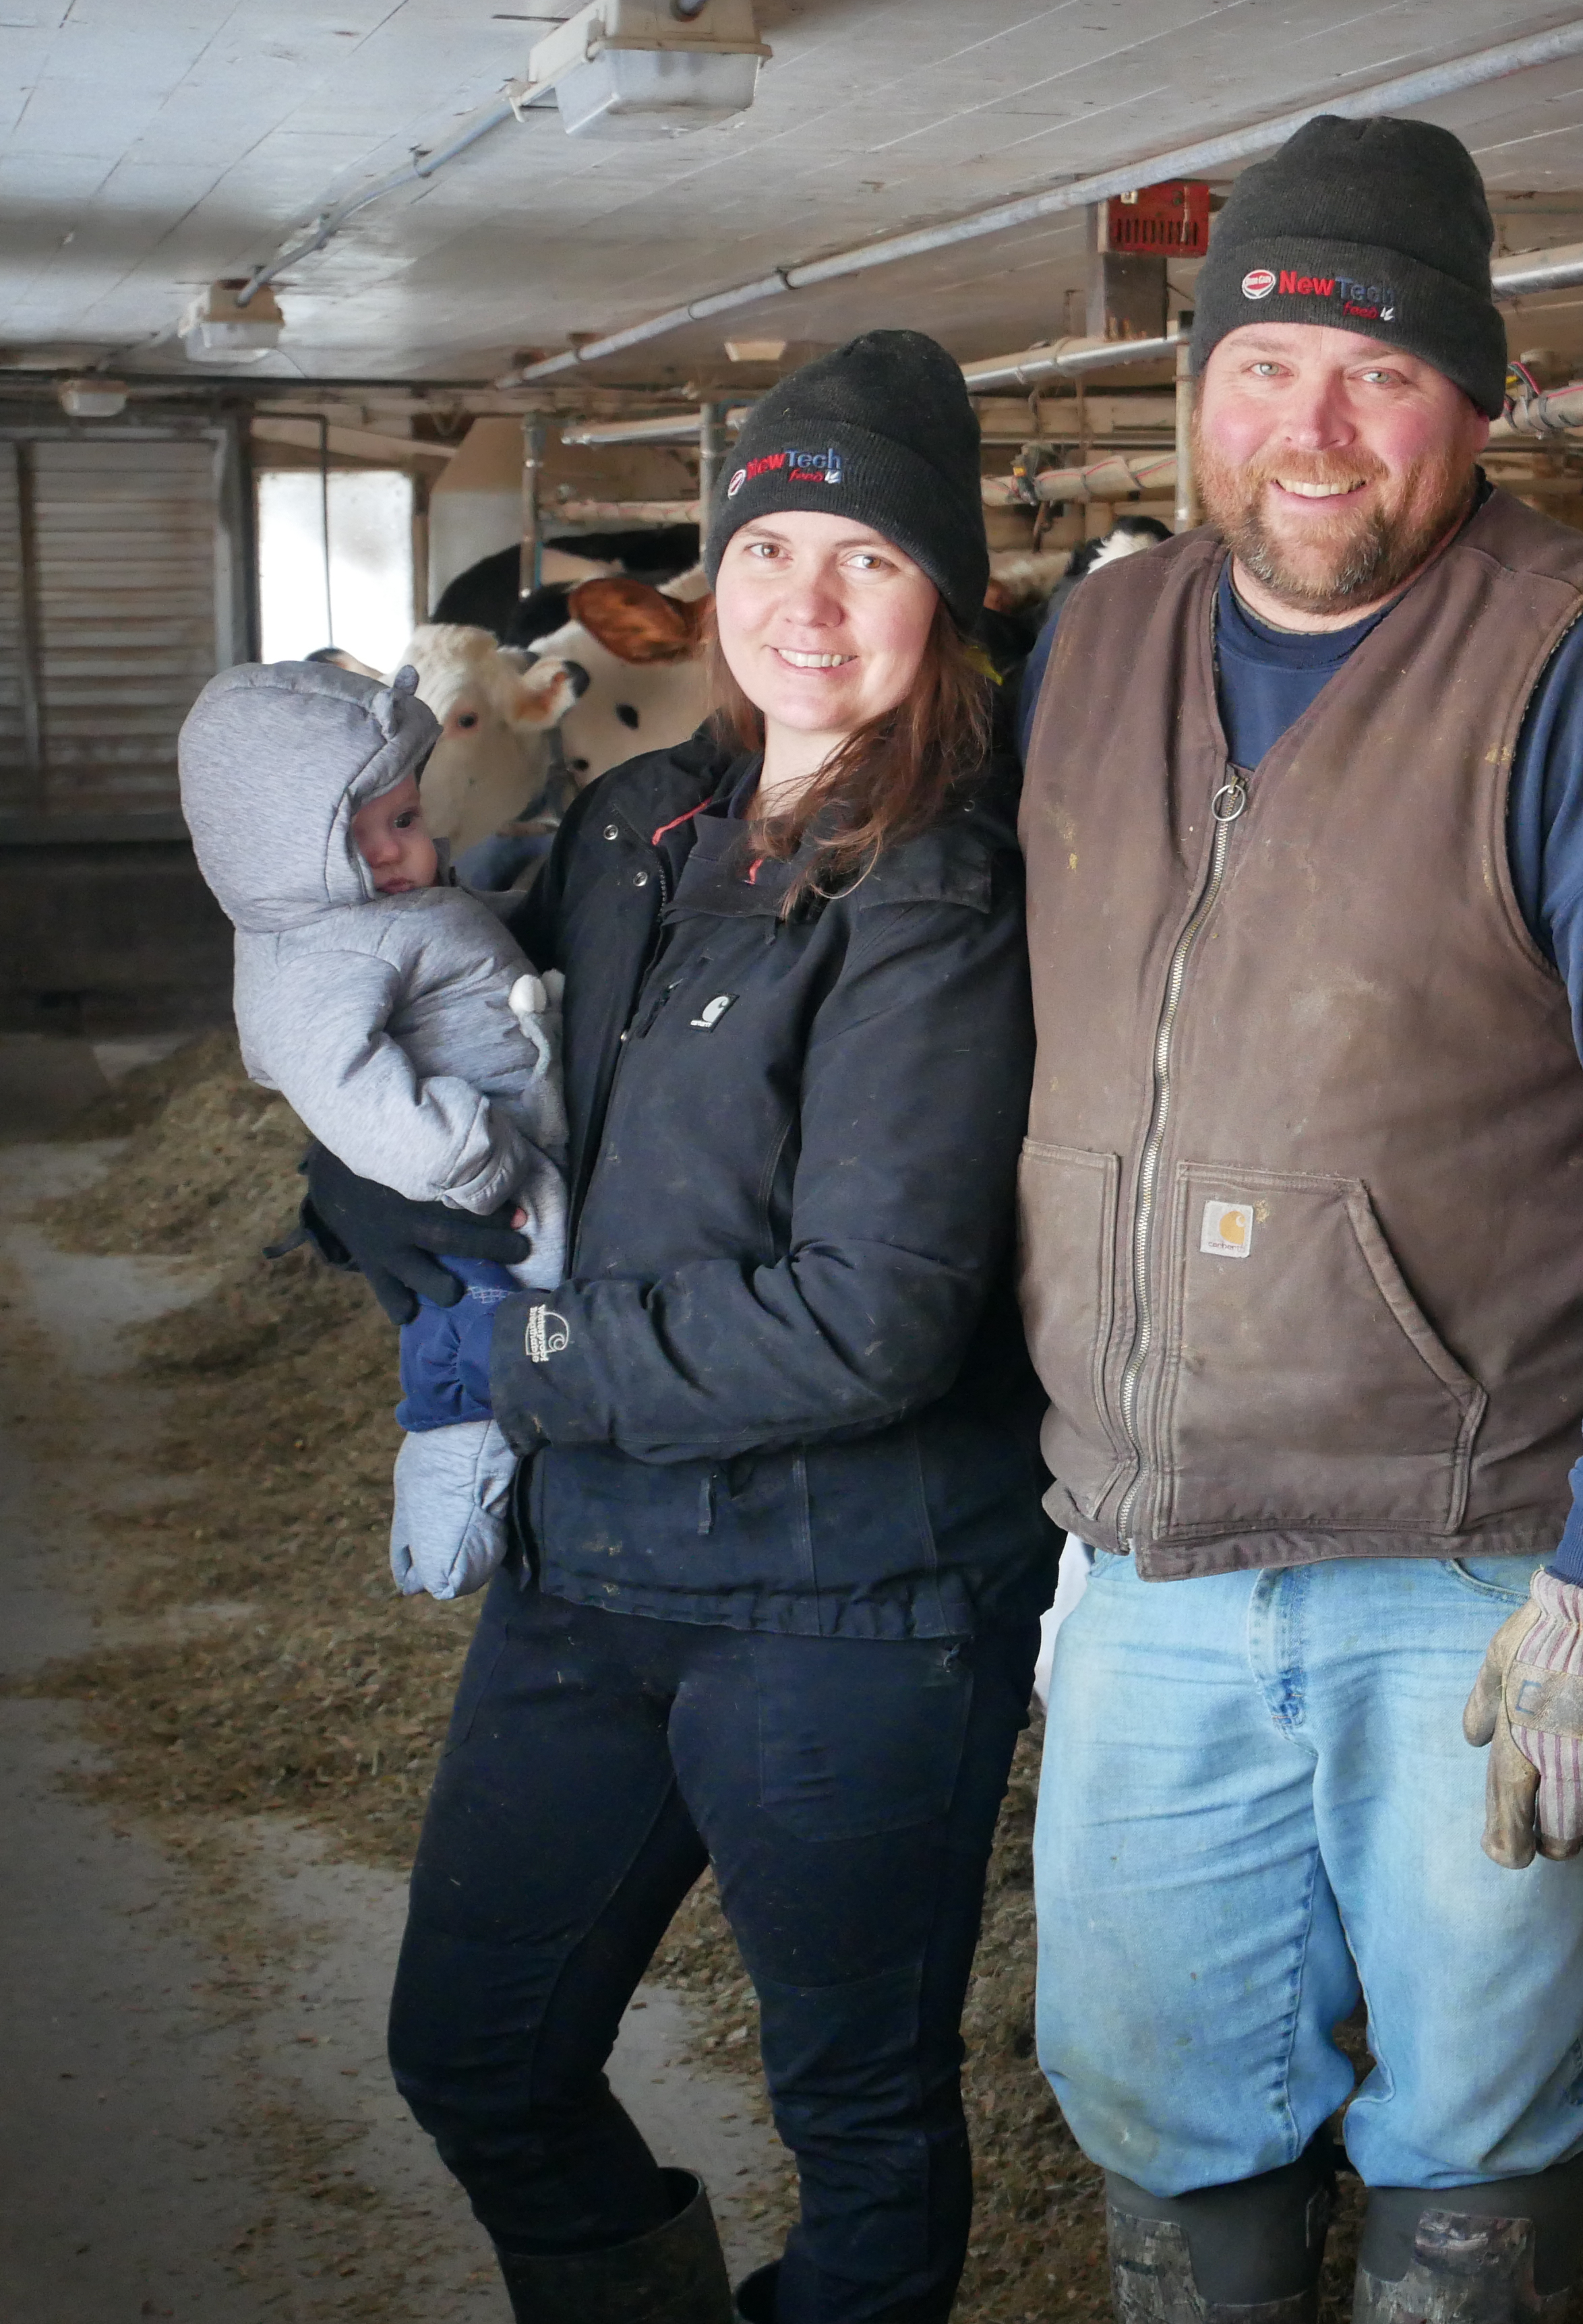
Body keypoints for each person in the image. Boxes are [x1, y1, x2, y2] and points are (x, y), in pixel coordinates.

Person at [1013, 117, 1583, 2324]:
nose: (1314, 427)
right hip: (1151, 1547)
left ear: (1474, 402)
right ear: (1200, 390)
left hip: (1471, 1565)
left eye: (1378, 374)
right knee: (1149, 2081)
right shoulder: (1100, 643)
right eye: (1267, 365)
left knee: (1469, 2099)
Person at [305, 330, 1048, 2324]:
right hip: (592, 1572)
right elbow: (480, 1100)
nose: (809, 605)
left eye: (870, 561)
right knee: (473, 2053)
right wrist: (365, 1158)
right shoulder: (636, 826)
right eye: (774, 548)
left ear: (945, 599)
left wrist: (524, 1366)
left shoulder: (942, 897)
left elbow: (875, 1326)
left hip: (853, 1597)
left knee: (861, 2116)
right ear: (711, 578)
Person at [179, 659, 570, 1601]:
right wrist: (471, 1159)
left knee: (527, 1348)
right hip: (477, 1192)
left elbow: (475, 939)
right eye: (363, 838)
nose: (402, 853)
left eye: (405, 820)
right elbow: (342, 1083)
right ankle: (443, 1530)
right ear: (274, 850)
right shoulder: (314, 957)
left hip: (525, 1154)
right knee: (472, 1360)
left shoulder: (389, 910)